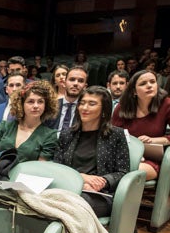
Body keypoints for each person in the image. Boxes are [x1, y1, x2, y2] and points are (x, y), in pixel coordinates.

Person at [54, 86, 130, 217]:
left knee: (72, 206)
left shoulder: (116, 135)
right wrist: (81, 178)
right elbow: (57, 167)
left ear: (104, 110)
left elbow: (123, 172)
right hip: (69, 188)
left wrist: (102, 182)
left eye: (92, 104)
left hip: (99, 195)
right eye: (82, 103)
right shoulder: (67, 135)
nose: (84, 108)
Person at [111, 70, 170, 180]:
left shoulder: (167, 104)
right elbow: (112, 137)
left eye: (152, 82)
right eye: (143, 84)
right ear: (134, 91)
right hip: (124, 155)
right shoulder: (122, 106)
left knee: (129, 171)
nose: (149, 86)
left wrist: (153, 140)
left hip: (151, 159)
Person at [0, 80, 58, 162]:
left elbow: (40, 167)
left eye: (40, 102)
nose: (36, 106)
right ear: (21, 104)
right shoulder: (4, 126)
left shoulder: (49, 135)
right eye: (30, 101)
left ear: (46, 105)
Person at [47, 66, 88, 132]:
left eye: (80, 81)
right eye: (72, 79)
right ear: (64, 83)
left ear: (85, 86)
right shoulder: (51, 106)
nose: (75, 83)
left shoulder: (86, 110)